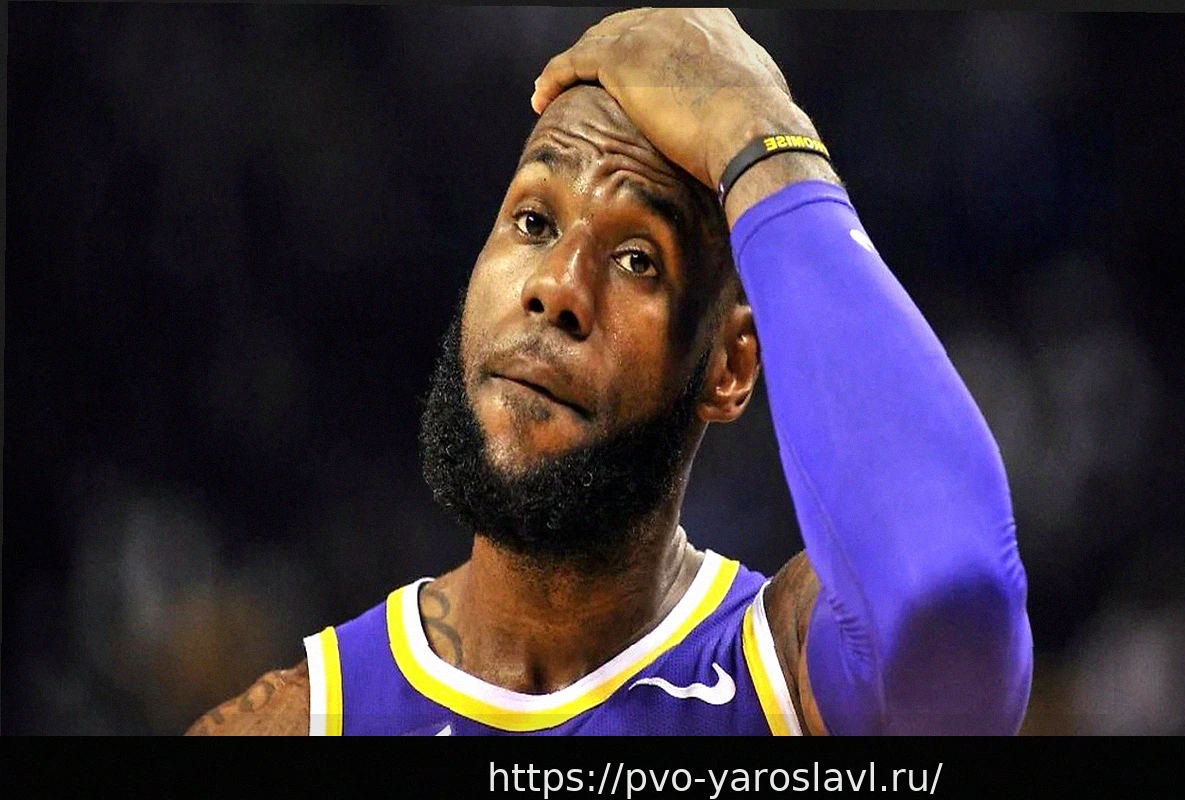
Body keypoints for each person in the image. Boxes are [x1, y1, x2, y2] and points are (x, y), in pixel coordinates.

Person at [186, 8, 1032, 736]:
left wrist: (759, 131)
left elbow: (951, 601)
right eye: (533, 221)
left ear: (730, 366)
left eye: (637, 260)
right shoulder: (297, 721)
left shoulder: (788, 672)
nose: (558, 287)